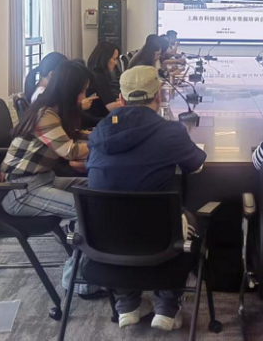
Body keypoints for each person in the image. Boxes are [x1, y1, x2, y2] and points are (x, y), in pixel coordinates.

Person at [86, 66, 207, 331]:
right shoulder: (170, 132)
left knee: (119, 216)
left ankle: (127, 305)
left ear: (121, 99)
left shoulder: (98, 132)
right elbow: (196, 165)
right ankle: (167, 307)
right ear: (159, 96)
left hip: (102, 239)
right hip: (158, 239)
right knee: (187, 217)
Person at [1, 61, 90, 220]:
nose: (83, 97)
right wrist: (103, 143)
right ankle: (75, 234)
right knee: (86, 208)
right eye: (81, 91)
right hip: (22, 190)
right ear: (69, 91)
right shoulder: (44, 115)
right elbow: (70, 151)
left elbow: (72, 134)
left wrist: (99, 135)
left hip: (45, 179)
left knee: (97, 187)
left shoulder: (53, 110)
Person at [85, 41, 122, 119]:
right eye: (114, 59)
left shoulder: (91, 72)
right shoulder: (98, 77)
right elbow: (111, 106)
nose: (115, 63)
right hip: (96, 119)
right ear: (105, 59)